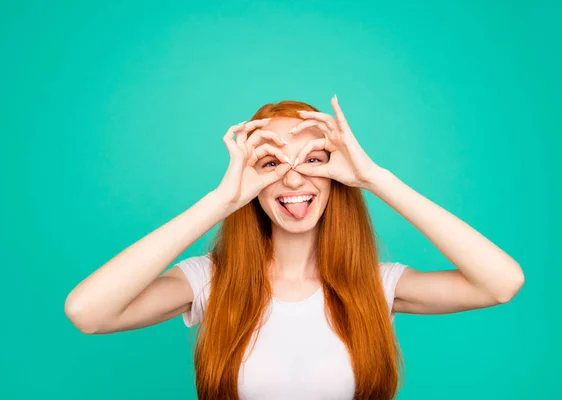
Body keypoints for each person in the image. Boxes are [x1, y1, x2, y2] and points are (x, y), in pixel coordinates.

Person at [64, 96, 525, 400]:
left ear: (337, 173)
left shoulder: (377, 285)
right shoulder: (210, 280)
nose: (292, 177)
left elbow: (503, 283)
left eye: (314, 159)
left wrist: (375, 179)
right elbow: (87, 311)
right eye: (270, 162)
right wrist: (221, 201)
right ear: (250, 184)